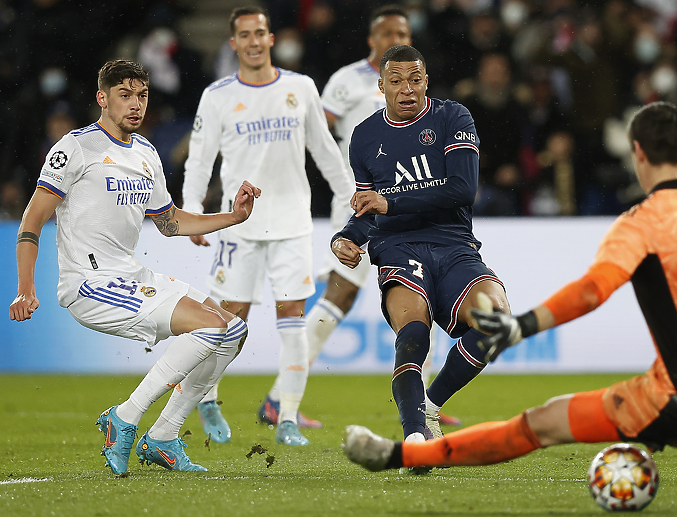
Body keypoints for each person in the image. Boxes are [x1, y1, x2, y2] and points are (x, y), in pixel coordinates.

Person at [343, 102, 677, 510]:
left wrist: (522, 325)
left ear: (637, 152)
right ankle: (420, 422)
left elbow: (591, 292)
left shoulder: (642, 223)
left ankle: (401, 453)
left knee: (536, 425)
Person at [9, 59, 260, 475]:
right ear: (102, 98)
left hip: (130, 275)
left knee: (233, 329)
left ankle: (163, 436)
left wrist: (232, 216)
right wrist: (25, 287)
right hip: (89, 283)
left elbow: (170, 222)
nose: (135, 104)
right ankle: (124, 417)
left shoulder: (146, 152)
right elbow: (30, 222)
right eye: (125, 95)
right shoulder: (75, 148)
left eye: (142, 95)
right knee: (210, 327)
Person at [263, 4, 458, 428]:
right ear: (372, 40)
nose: (395, 39)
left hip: (410, 203)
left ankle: (424, 401)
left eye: (401, 32)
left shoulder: (418, 94)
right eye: (387, 33)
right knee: (341, 293)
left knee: (425, 292)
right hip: (362, 201)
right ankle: (279, 397)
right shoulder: (346, 81)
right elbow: (317, 131)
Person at [181, 6, 354, 446]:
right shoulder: (218, 95)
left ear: (271, 39)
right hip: (239, 225)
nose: (254, 41)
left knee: (292, 317)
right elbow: (200, 159)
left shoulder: (300, 88)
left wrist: (350, 198)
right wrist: (193, 210)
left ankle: (289, 417)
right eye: (245, 35)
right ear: (233, 42)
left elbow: (325, 150)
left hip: (292, 222)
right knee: (227, 319)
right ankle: (208, 398)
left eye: (260, 33)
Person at [332, 45, 510, 448]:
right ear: (381, 86)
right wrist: (345, 237)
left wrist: (391, 201)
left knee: (497, 321)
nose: (406, 89)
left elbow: (463, 189)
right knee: (413, 331)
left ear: (426, 81)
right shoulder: (363, 138)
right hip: (397, 245)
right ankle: (415, 434)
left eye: (415, 80)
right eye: (396, 81)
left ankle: (428, 404)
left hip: (454, 243)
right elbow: (366, 210)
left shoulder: (453, 117)